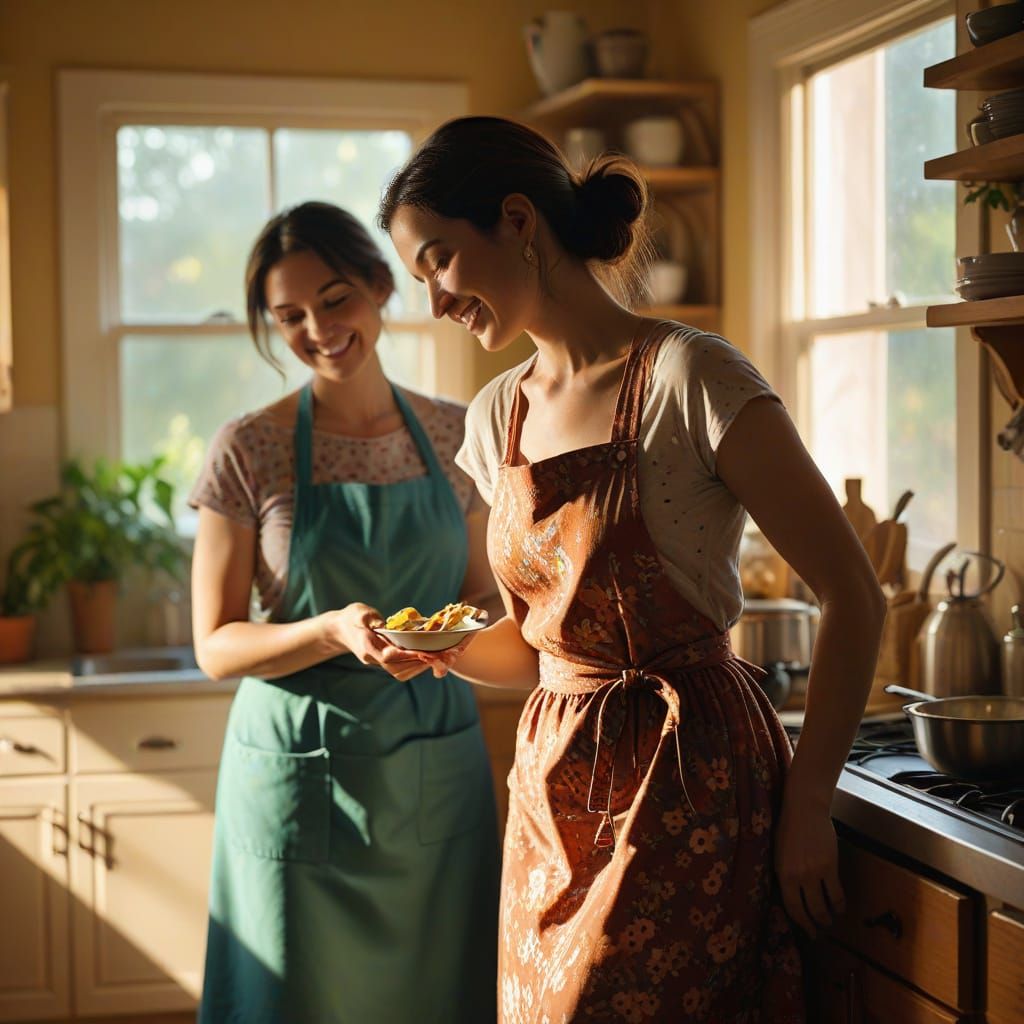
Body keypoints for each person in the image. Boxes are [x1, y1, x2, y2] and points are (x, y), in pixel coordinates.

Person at [379, 117, 887, 1023]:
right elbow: (542, 650)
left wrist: (811, 802)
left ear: (517, 220)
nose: (438, 302)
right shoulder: (497, 415)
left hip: (686, 785)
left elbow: (854, 591)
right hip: (550, 800)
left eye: (440, 262)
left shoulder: (692, 375)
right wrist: (441, 650)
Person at [189, 200, 501, 1024]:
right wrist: (329, 629)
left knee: (442, 992)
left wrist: (443, 639)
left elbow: (485, 592)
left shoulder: (455, 434)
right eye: (288, 315)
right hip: (296, 772)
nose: (318, 329)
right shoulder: (247, 448)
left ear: (377, 286)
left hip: (434, 761)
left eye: (335, 300)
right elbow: (215, 646)